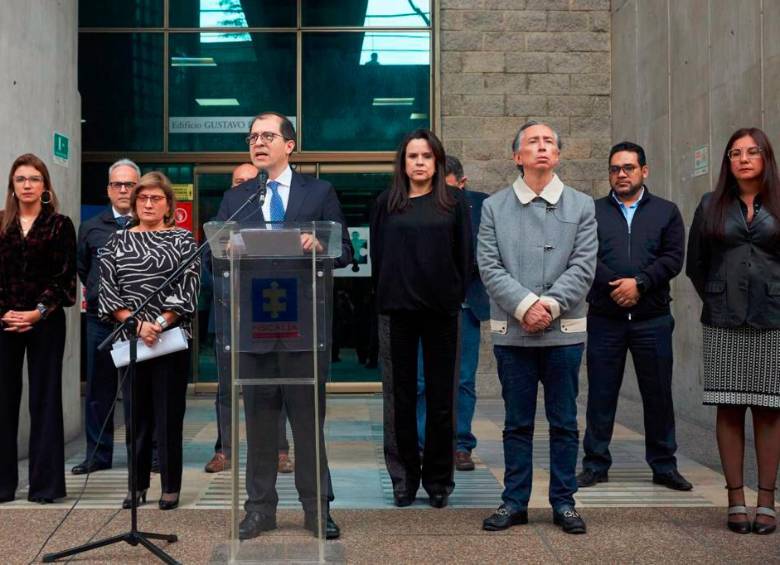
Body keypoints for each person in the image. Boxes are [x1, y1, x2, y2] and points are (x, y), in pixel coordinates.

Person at [216, 112, 352, 540]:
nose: (258, 143)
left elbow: (344, 249)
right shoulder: (237, 198)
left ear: (289, 145)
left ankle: (317, 509)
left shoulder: (319, 192)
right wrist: (228, 249)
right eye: (253, 137)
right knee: (259, 424)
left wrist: (321, 242)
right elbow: (212, 256)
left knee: (308, 422)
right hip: (253, 327)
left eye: (268, 136)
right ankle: (260, 510)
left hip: (304, 327)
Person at [478, 121, 597, 534]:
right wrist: (525, 306)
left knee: (564, 421)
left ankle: (564, 502)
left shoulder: (582, 206)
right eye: (533, 142)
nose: (542, 147)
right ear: (517, 156)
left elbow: (584, 266)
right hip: (514, 334)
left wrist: (548, 306)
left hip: (564, 333)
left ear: (558, 155)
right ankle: (514, 502)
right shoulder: (494, 208)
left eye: (549, 142)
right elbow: (489, 267)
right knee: (517, 423)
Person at [577, 142, 692, 492]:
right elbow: (584, 255)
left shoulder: (666, 211)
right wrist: (617, 285)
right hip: (605, 318)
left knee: (657, 395)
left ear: (644, 171)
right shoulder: (591, 211)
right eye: (615, 169)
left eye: (628, 167)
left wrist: (639, 283)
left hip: (652, 320)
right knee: (600, 394)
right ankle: (596, 464)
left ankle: (663, 465)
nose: (621, 174)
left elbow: (673, 257)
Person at [371, 130, 472, 509]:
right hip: (397, 312)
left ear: (437, 162)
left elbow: (465, 255)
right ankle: (404, 477)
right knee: (399, 398)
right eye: (412, 156)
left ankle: (438, 480)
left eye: (426, 157)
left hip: (442, 311)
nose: (419, 163)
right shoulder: (386, 203)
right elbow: (378, 259)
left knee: (442, 398)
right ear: (403, 162)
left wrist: (454, 295)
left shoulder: (454, 203)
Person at [686, 127, 780, 536]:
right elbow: (696, 264)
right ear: (727, 162)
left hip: (773, 317)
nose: (743, 159)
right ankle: (735, 499)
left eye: (752, 151)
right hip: (723, 318)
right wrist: (716, 295)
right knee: (728, 407)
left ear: (766, 158)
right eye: (735, 153)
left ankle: (766, 500)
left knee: (769, 409)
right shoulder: (710, 205)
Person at [99, 171, 199, 511]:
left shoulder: (184, 241)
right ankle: (136, 485)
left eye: (156, 198)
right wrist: (137, 325)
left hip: (169, 342)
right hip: (132, 342)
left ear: (169, 204)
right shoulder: (116, 242)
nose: (148, 203)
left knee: (169, 417)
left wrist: (157, 323)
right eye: (143, 198)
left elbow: (188, 291)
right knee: (136, 419)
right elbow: (108, 292)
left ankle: (170, 487)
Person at [205, 162, 294, 476]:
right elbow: (207, 259)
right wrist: (225, 247)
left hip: (271, 313)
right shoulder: (224, 216)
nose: (244, 185)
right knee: (226, 388)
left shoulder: (273, 215)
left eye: (250, 180)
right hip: (230, 314)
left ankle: (280, 450)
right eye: (237, 181)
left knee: (277, 384)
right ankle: (224, 451)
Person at [0, 153, 77, 504]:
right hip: (4, 323)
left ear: (45, 186)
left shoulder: (60, 225)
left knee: (45, 400)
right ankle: (3, 485)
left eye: (34, 179)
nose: (27, 185)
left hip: (45, 322)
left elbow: (64, 281)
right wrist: (7, 313)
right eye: (21, 179)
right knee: (3, 401)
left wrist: (36, 312)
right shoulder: (0, 224)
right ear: (12, 187)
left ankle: (45, 487)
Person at [416, 155, 488, 471]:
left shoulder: (483, 207)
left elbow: (487, 253)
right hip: (426, 308)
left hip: (465, 306)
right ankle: (423, 444)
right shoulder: (418, 204)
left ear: (462, 183)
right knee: (421, 381)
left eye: (449, 191)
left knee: (463, 380)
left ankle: (461, 445)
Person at [72, 159, 140, 476]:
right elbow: (85, 271)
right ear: (108, 189)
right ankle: (97, 456)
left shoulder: (150, 222)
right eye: (118, 184)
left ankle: (146, 456)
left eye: (129, 184)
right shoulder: (92, 227)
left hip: (141, 323)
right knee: (99, 392)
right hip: (101, 323)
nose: (124, 189)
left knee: (141, 392)